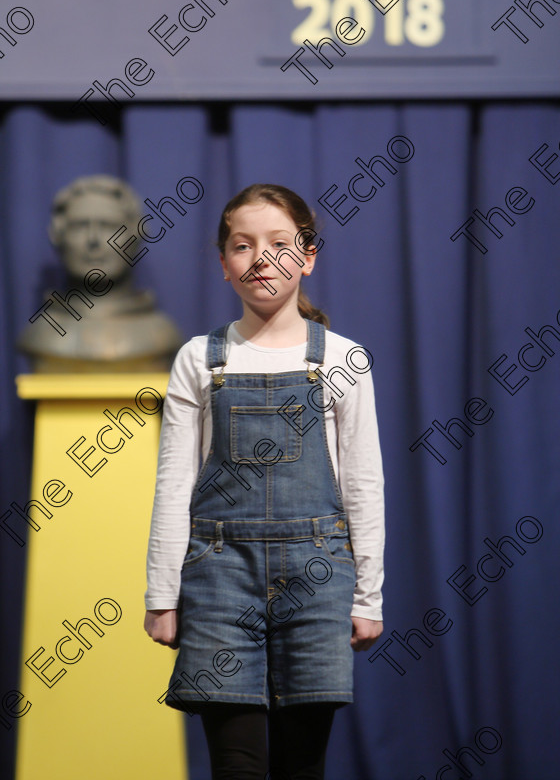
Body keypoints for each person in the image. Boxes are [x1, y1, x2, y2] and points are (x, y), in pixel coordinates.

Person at [144, 184, 385, 779]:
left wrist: (368, 595)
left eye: (280, 244)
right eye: (242, 245)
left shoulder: (342, 360)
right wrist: (161, 594)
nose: (261, 259)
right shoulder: (199, 359)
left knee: (303, 763)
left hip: (318, 573)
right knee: (237, 763)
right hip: (219, 572)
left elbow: (363, 484)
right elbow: (174, 482)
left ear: (308, 256)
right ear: (223, 264)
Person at [18, 174, 182, 371]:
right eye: (79, 226)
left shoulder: (161, 335)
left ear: (136, 237)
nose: (93, 240)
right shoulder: (41, 334)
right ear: (57, 237)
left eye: (109, 227)